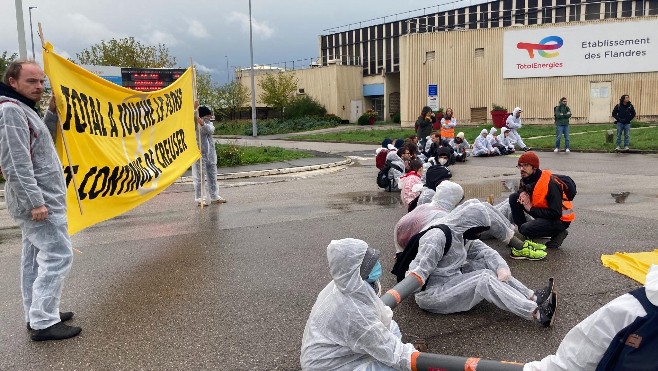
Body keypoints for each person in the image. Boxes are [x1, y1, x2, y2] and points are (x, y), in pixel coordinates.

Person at [0, 61, 81, 341]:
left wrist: (52, 114)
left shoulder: (23, 109)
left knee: (34, 259)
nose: (39, 86)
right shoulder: (10, 110)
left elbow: (38, 142)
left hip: (41, 200)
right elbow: (16, 162)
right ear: (13, 81)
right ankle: (44, 321)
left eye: (42, 82)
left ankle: (37, 313)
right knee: (59, 255)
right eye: (32, 81)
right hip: (39, 203)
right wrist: (35, 202)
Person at [405, 200, 558, 326]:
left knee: (487, 266)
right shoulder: (437, 237)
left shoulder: (462, 232)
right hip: (432, 294)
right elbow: (417, 273)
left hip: (451, 279)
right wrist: (396, 296)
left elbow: (486, 252)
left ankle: (532, 296)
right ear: (471, 224)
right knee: (484, 278)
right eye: (479, 230)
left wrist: (501, 268)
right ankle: (536, 313)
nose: (479, 234)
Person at [300, 238, 417, 370]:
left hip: (332, 352)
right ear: (355, 271)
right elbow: (395, 354)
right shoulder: (352, 311)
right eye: (370, 263)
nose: (376, 264)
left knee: (390, 328)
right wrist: (414, 358)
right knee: (394, 365)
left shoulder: (342, 284)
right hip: (328, 366)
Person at [524, 264, 657, 371]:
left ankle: (535, 304)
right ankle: (533, 299)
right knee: (502, 281)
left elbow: (575, 359)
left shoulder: (635, 310)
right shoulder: (636, 309)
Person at [509, 152, 574, 259]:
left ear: (534, 167)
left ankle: (559, 232)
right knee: (514, 198)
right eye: (520, 165)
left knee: (525, 228)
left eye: (525, 165)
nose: (521, 169)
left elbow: (556, 213)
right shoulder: (528, 177)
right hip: (544, 213)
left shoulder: (550, 184)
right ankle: (525, 236)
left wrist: (531, 209)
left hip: (560, 219)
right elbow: (524, 186)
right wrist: (522, 192)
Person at [193, 105, 226, 206]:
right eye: (207, 115)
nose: (209, 116)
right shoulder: (195, 124)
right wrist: (195, 109)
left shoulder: (209, 124)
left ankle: (214, 196)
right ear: (203, 115)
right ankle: (200, 198)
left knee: (212, 175)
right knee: (200, 177)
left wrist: (203, 123)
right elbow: (192, 117)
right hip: (200, 153)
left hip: (210, 154)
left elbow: (210, 130)